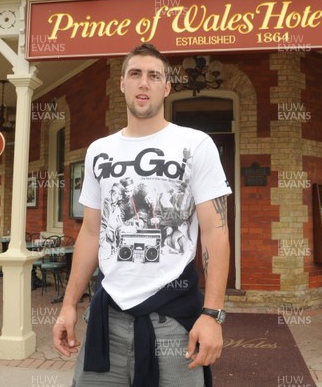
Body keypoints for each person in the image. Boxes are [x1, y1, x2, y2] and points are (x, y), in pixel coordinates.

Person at [53, 42, 232, 387]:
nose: (144, 82)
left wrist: (212, 314)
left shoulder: (195, 144)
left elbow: (215, 231)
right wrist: (69, 305)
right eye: (135, 73)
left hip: (173, 320)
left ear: (166, 87)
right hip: (108, 317)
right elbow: (91, 233)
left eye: (154, 75)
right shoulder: (98, 151)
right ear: (122, 83)